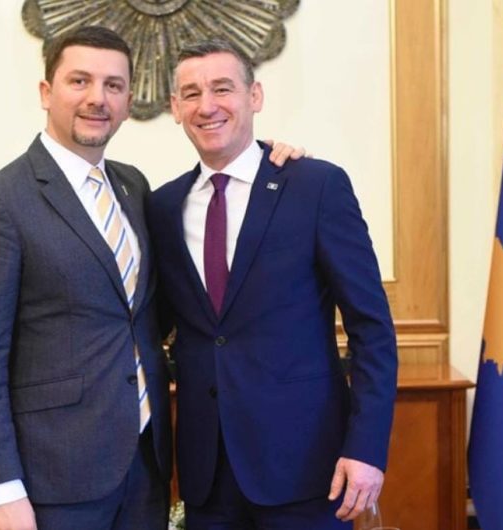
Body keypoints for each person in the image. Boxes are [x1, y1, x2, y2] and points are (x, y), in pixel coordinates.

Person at [0, 26, 302, 530]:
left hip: (146, 467)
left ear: (128, 101)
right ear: (47, 92)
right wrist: (1, 487)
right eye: (80, 81)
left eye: (113, 85)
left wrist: (267, 162)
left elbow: (154, 315)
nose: (98, 98)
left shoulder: (133, 187)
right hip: (53, 480)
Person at [146, 39, 398, 530]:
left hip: (308, 470)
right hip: (207, 479)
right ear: (175, 108)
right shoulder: (162, 207)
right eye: (191, 93)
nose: (207, 105)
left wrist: (367, 449)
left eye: (223, 88)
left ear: (254, 96)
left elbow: (372, 330)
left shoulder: (315, 187)